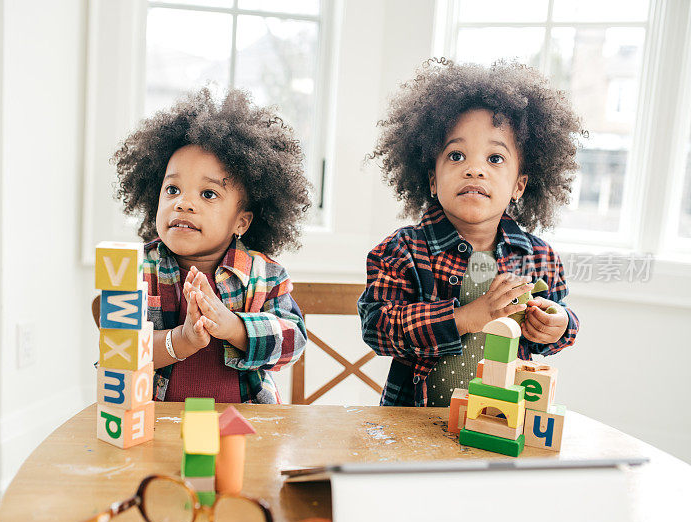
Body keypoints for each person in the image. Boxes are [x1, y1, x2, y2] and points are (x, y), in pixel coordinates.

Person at [358, 59, 581, 407]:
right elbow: (378, 328)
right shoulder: (402, 250)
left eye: (495, 159)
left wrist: (558, 324)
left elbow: (556, 324)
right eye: (457, 155)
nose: (474, 169)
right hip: (415, 425)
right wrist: (464, 317)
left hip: (499, 422)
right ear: (433, 179)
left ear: (519, 185)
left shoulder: (539, 257)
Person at [96, 87, 311, 403]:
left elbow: (294, 342)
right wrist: (179, 341)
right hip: (158, 429)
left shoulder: (265, 275)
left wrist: (234, 327)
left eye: (208, 194)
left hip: (246, 429)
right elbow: (118, 354)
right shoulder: (135, 269)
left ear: (242, 222)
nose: (183, 203)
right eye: (172, 189)